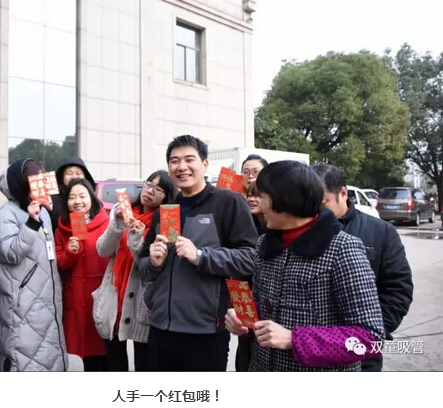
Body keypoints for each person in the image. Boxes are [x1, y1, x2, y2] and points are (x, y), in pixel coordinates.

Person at [225, 160, 385, 371]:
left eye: (263, 197)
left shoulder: (343, 249)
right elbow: (262, 303)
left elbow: (370, 338)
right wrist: (243, 316)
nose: (259, 205)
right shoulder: (265, 243)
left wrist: (294, 339)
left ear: (285, 200)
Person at [139, 135, 258, 372]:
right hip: (161, 328)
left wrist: (201, 256)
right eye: (174, 161)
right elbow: (142, 267)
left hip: (206, 332)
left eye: (189, 159)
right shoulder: (165, 211)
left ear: (204, 164)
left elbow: (250, 257)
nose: (181, 166)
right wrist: (153, 262)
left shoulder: (228, 203)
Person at [313, 163, 414, 371]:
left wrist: (369, 332)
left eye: (323, 203)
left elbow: (398, 290)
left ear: (343, 194)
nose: (316, 212)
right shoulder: (305, 231)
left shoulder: (380, 232)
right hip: (310, 347)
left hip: (361, 354)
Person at [95, 170, 177, 371]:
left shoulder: (167, 222)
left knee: (145, 364)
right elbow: (103, 250)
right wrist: (116, 225)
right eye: (149, 184)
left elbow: (151, 265)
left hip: (142, 302)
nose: (150, 191)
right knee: (114, 364)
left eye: (159, 189)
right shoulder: (125, 213)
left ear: (167, 197)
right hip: (115, 297)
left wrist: (137, 239)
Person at [0, 158, 68, 371]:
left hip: (47, 295)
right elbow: (10, 253)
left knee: (49, 353)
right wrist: (31, 223)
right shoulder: (6, 215)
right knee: (25, 356)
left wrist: (49, 211)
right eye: (34, 181)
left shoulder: (41, 210)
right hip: (24, 301)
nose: (40, 185)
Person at [54, 178, 110, 371]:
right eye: (72, 197)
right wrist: (70, 252)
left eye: (82, 196)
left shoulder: (106, 222)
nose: (77, 201)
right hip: (77, 298)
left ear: (92, 198)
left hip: (102, 295)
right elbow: (59, 262)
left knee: (107, 351)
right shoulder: (63, 227)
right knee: (87, 354)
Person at [234, 181, 267, 372]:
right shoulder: (242, 221)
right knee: (244, 339)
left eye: (258, 196)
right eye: (249, 195)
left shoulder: (273, 226)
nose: (252, 200)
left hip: (263, 292)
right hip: (242, 289)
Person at [49, 158, 97, 234]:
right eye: (69, 173)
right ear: (62, 176)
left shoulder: (91, 198)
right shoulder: (51, 199)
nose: (74, 177)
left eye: (78, 173)